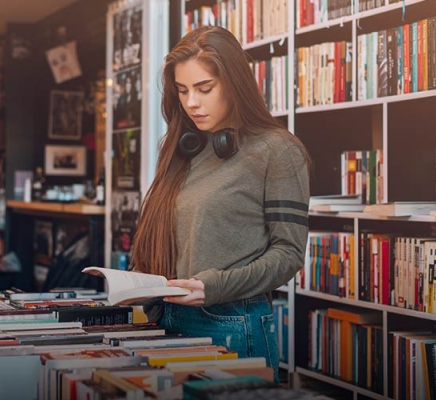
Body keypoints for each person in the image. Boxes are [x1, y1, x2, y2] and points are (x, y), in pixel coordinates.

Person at [130, 26, 311, 371]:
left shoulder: (278, 150)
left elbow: (288, 254)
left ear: (234, 83)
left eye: (204, 88)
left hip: (229, 323)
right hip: (165, 318)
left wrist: (213, 286)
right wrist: (137, 283)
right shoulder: (184, 149)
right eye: (182, 90)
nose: (191, 103)